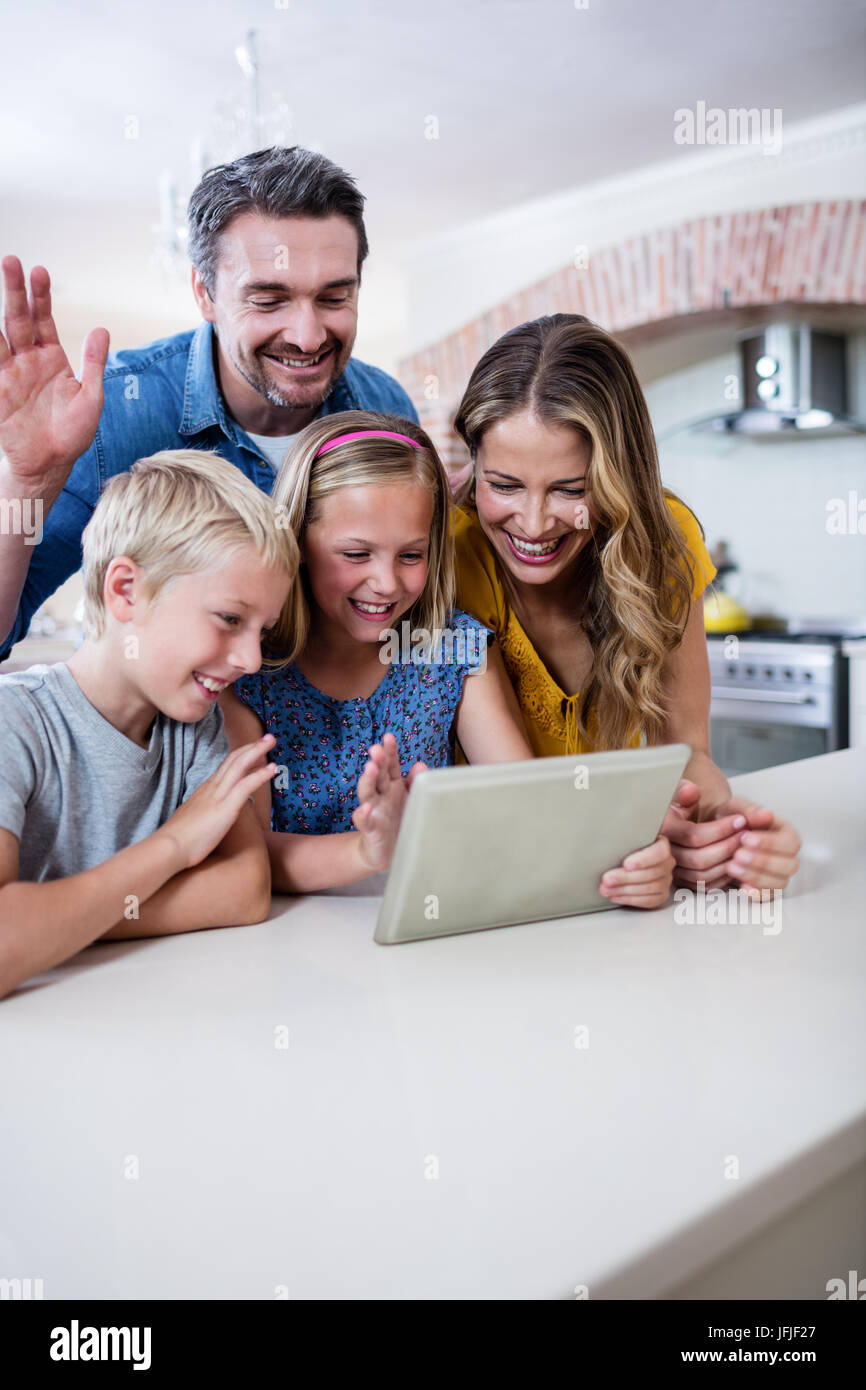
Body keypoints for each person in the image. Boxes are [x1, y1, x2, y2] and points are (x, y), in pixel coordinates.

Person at [218, 410, 678, 904]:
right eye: (355, 555)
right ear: (298, 541)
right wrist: (369, 850)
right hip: (287, 945)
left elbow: (527, 804)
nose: (386, 583)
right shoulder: (248, 668)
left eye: (411, 556)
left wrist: (630, 861)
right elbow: (250, 855)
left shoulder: (454, 652)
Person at [0, 144, 418, 662]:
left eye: (334, 298)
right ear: (205, 293)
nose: (309, 337)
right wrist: (27, 481)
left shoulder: (385, 408)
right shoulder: (116, 410)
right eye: (268, 300)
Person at [450, 314, 801, 903]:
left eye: (570, 489)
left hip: (612, 890)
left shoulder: (663, 546)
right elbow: (509, 793)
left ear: (619, 478)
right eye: (504, 485)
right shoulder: (452, 555)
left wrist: (728, 834)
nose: (533, 525)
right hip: (484, 882)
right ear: (474, 468)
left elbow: (685, 754)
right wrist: (625, 840)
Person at [0, 450, 298, 1000]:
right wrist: (176, 846)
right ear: (126, 591)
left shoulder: (193, 724)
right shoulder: (13, 722)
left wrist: (53, 921)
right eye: (231, 619)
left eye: (261, 629)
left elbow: (245, 889)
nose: (253, 660)